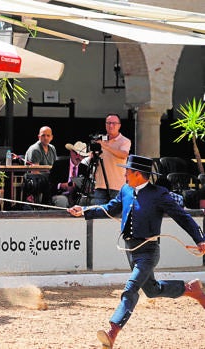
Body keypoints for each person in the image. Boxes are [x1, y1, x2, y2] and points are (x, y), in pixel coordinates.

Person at [67, 155, 205, 349]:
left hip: (148, 252)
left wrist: (200, 239)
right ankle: (191, 289)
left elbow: (182, 217)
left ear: (138, 174)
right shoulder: (125, 190)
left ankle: (113, 331)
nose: (124, 174)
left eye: (127, 172)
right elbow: (109, 208)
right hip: (130, 250)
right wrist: (83, 210)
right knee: (152, 290)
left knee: (131, 288)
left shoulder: (159, 194)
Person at [89, 113, 131, 205]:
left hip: (117, 185)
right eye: (108, 123)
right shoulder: (101, 140)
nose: (111, 125)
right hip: (100, 185)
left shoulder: (125, 141)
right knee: (98, 214)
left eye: (114, 123)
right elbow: (93, 160)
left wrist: (105, 146)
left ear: (119, 125)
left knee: (116, 215)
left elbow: (123, 154)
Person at [48, 141, 90, 208]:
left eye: (82, 155)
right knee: (62, 200)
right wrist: (61, 185)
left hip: (77, 196)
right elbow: (49, 184)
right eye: (76, 153)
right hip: (61, 194)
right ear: (71, 152)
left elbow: (87, 187)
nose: (78, 157)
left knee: (85, 200)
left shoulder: (85, 168)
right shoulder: (59, 165)